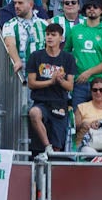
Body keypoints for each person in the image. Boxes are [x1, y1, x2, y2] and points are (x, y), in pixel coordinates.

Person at [26, 22, 74, 157]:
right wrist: (51, 81)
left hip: (60, 103)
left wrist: (59, 80)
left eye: (53, 35)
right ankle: (47, 147)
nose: (50, 38)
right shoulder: (36, 56)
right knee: (34, 113)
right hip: (41, 101)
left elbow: (70, 86)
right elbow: (31, 83)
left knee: (58, 147)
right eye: (47, 34)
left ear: (61, 38)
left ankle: (52, 155)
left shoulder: (68, 58)